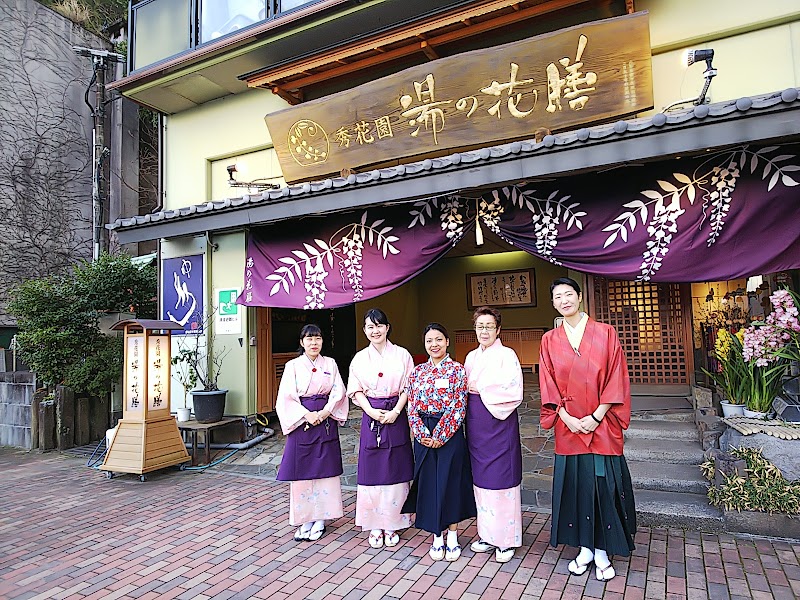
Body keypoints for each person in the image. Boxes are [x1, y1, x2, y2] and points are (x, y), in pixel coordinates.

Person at [539, 277, 636, 582]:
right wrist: (565, 418)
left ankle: (603, 551)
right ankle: (584, 548)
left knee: (600, 486)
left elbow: (616, 376)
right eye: (558, 297)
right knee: (576, 486)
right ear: (553, 303)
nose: (564, 300)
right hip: (568, 425)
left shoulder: (606, 333)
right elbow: (548, 382)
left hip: (602, 423)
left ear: (580, 298)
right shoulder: (549, 340)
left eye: (569, 294)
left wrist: (597, 415)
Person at [402, 323, 476, 561]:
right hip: (423, 433)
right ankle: (436, 535)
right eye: (429, 341)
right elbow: (411, 405)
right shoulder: (417, 372)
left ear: (447, 342)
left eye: (438, 340)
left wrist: (441, 435)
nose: (434, 345)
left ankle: (453, 535)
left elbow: (458, 405)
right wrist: (422, 434)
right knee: (429, 484)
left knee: (451, 482)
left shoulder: (457, 370)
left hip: (450, 433)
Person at [347, 308, 414, 549]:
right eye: (370, 327)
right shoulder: (360, 358)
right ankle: (374, 524)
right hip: (371, 414)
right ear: (365, 331)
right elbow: (355, 389)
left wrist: (396, 411)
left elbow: (409, 386)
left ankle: (393, 523)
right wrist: (371, 411)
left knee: (396, 468)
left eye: (379, 326)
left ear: (387, 327)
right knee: (372, 471)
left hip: (396, 412)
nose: (375, 331)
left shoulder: (402, 355)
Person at [275, 324, 348, 543]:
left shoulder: (331, 364)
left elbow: (338, 391)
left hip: (325, 421)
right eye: (309, 339)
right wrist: (307, 415)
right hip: (302, 422)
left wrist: (325, 412)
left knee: (325, 470)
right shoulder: (292, 366)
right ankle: (306, 518)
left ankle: (321, 519)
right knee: (302, 473)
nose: (313, 343)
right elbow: (286, 396)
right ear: (301, 342)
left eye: (317, 338)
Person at [464, 306, 523, 563]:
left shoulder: (507, 355)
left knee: (502, 480)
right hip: (477, 425)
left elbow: (513, 390)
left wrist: (480, 387)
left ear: (498, 329)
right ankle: (487, 535)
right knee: (482, 480)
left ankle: (506, 540)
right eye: (480, 326)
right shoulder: (471, 357)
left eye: (489, 326)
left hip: (499, 424)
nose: (484, 330)